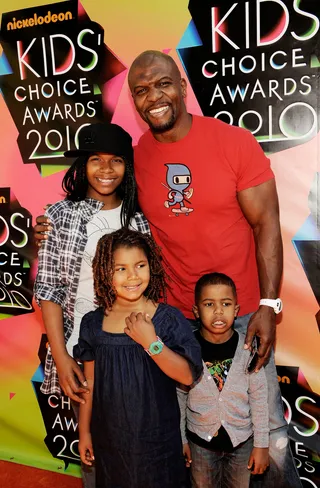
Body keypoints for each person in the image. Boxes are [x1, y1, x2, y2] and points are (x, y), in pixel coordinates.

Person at [34, 51, 302, 486]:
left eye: (161, 84)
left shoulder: (233, 141)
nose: (152, 97)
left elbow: (266, 223)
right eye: (140, 90)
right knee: (183, 434)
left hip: (243, 312)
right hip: (173, 319)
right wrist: (49, 223)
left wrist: (269, 304)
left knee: (264, 430)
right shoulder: (136, 158)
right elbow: (102, 204)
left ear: (181, 83)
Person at [33, 122, 150, 487]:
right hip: (79, 352)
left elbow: (148, 294)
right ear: (82, 165)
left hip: (134, 352)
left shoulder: (139, 221)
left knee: (137, 447)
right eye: (96, 160)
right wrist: (62, 356)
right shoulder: (58, 217)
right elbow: (49, 290)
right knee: (93, 450)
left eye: (116, 160)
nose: (105, 170)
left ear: (127, 167)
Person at [74, 228, 203, 488]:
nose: (132, 276)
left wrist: (151, 342)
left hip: (158, 445)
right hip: (111, 444)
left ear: (151, 267)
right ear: (103, 272)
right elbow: (90, 384)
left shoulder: (167, 320)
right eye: (120, 268)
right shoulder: (93, 323)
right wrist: (84, 431)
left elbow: (188, 375)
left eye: (140, 265)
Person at [178, 273, 269, 488]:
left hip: (241, 444)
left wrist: (262, 445)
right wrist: (180, 439)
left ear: (236, 310)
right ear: (196, 311)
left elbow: (259, 398)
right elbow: (179, 398)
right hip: (200, 444)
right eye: (209, 304)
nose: (218, 311)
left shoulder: (249, 348)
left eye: (226, 304)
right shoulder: (187, 350)